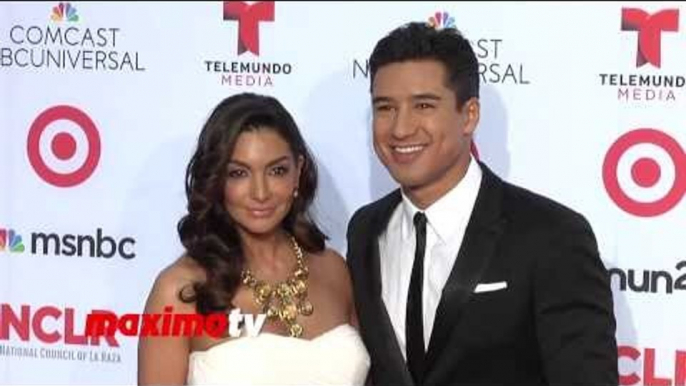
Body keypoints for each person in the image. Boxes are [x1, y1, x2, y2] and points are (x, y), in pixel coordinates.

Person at [346, 22, 618, 386]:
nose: (400, 128)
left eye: (423, 105)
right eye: (385, 108)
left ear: (469, 115)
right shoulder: (365, 228)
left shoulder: (552, 236)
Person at [138, 92, 370, 385]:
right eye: (238, 173)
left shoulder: (334, 269)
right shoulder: (179, 291)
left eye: (276, 171)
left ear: (298, 172)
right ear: (216, 179)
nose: (260, 193)